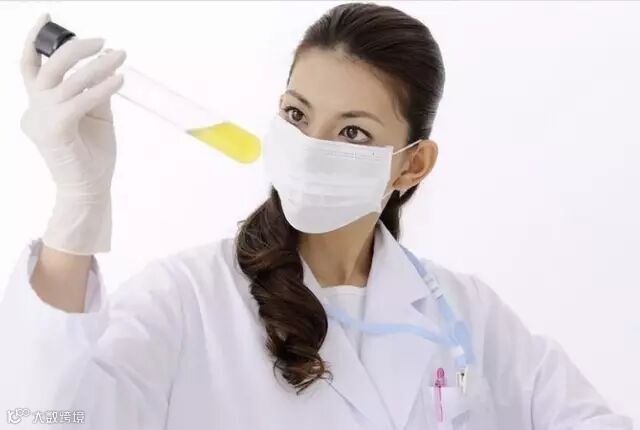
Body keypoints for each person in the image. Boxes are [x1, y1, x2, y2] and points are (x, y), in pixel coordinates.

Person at [0, 3, 632, 430]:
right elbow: (44, 417)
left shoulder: (466, 316)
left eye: (353, 132)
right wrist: (77, 207)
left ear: (411, 165)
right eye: (297, 115)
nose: (308, 147)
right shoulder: (187, 299)